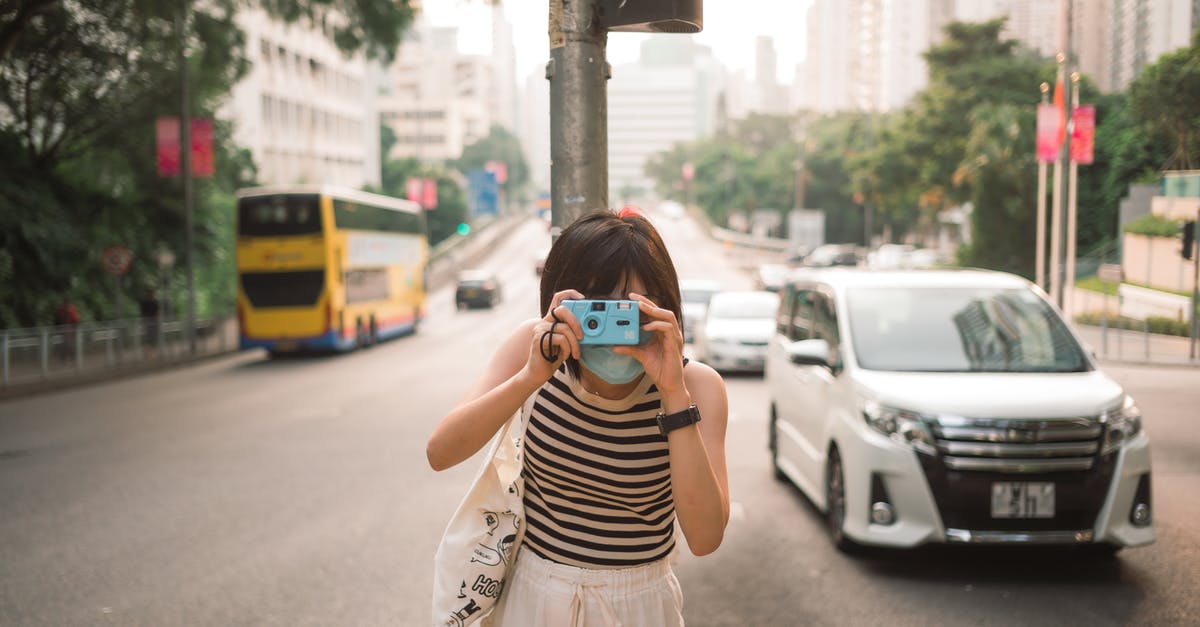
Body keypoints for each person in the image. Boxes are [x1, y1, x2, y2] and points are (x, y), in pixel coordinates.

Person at [427, 209, 730, 626]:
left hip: (639, 604)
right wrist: (531, 376)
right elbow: (441, 452)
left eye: (628, 313)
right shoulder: (533, 350)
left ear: (664, 307)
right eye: (595, 312)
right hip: (535, 597)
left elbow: (705, 536)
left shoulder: (698, 387)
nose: (610, 330)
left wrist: (674, 392)